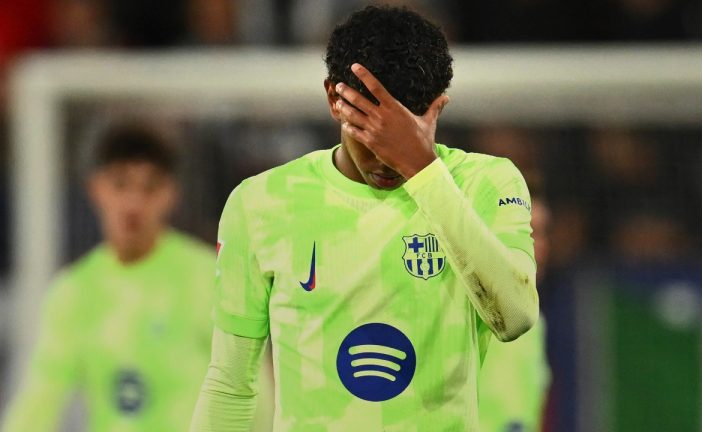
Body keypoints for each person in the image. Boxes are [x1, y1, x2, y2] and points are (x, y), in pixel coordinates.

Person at [190, 5, 538, 431]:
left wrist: (423, 169)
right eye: (368, 132)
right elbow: (230, 383)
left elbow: (516, 316)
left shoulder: (485, 183)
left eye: (401, 135)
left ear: (437, 109)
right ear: (333, 99)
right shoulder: (262, 203)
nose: (385, 157)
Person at [2, 123, 216, 431]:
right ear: (96, 189)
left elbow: (250, 386)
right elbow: (41, 397)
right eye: (120, 185)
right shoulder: (74, 291)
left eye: (149, 188)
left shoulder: (207, 276)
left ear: (171, 194)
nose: (133, 203)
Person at [479, 199, 552, 432]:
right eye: (528, 232)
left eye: (543, 233)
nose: (539, 246)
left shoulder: (536, 322)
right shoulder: (469, 312)